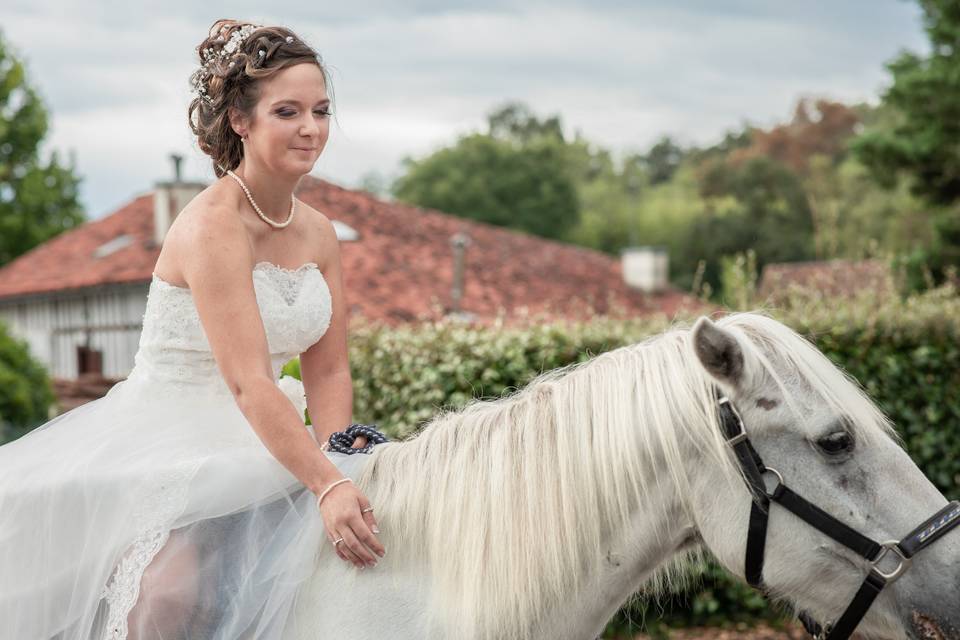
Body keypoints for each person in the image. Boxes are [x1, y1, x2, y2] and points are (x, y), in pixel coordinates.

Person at [0, 19, 385, 639]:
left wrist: (340, 461)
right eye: (287, 111)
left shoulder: (319, 232)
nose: (310, 128)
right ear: (241, 120)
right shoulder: (212, 225)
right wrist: (324, 483)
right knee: (168, 593)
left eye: (321, 110)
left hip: (270, 433)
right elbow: (248, 382)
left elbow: (330, 368)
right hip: (172, 431)